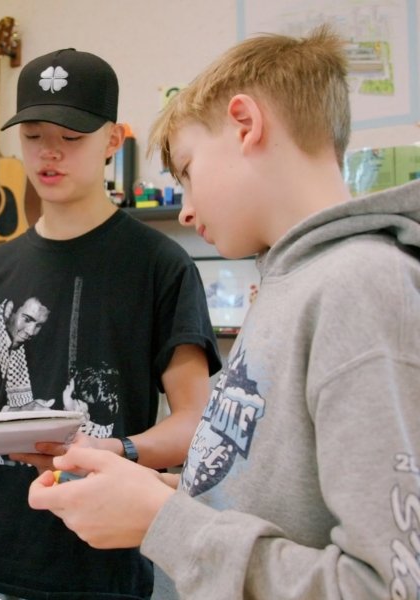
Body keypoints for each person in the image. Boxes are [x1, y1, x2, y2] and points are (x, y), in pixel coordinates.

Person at [28, 25, 420, 599]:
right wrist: (145, 488)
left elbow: (386, 587)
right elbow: (255, 499)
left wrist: (162, 521)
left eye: (187, 171)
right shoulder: (289, 283)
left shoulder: (362, 284)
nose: (185, 211)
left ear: (245, 124)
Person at [0, 48, 222, 600]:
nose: (49, 153)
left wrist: (118, 450)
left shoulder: (160, 266)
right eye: (33, 136)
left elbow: (196, 422)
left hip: (105, 562)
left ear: (112, 142)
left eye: (71, 137)